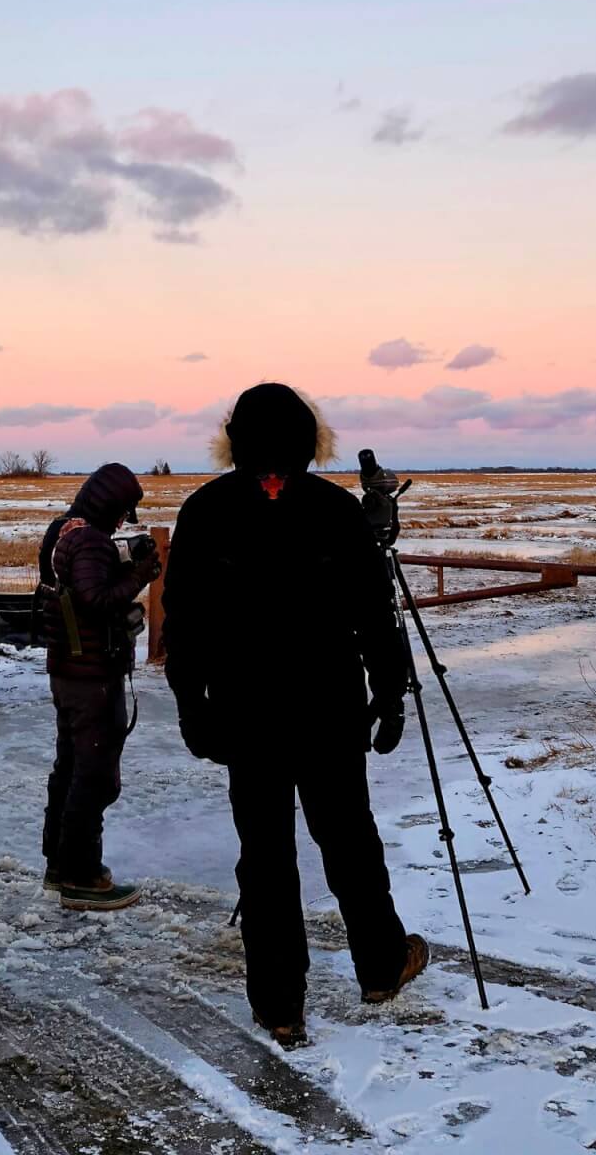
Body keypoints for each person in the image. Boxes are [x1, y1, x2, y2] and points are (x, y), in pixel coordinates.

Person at [164, 382, 427, 1047]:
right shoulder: (336, 510)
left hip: (244, 712)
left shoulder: (205, 510)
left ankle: (279, 1004)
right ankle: (381, 965)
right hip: (328, 710)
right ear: (311, 440)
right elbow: (374, 613)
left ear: (236, 439)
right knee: (348, 840)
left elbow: (184, 623)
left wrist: (192, 707)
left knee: (266, 856)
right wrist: (391, 691)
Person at [34, 462, 160, 911]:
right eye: (125, 510)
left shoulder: (62, 531)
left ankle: (60, 865)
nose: (125, 520)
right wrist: (140, 574)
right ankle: (82, 877)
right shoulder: (89, 541)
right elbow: (95, 598)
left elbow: (77, 588)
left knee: (68, 768)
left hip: (68, 671)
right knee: (94, 776)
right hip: (92, 676)